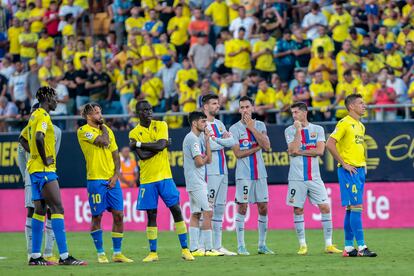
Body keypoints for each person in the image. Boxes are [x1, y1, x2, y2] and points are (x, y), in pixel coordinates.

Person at [25, 86, 86, 265]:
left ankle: (35, 256)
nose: (56, 100)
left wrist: (36, 156)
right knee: (57, 208)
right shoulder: (43, 116)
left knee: (40, 210)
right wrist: (45, 159)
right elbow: (38, 137)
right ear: (46, 98)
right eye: (54, 97)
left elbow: (23, 138)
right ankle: (65, 256)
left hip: (33, 169)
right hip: (44, 170)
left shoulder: (33, 116)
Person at [129, 100, 194, 262]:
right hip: (147, 179)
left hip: (165, 176)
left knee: (176, 210)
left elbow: (159, 146)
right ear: (138, 113)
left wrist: (139, 144)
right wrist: (160, 146)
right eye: (144, 110)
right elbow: (144, 155)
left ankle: (185, 250)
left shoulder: (161, 125)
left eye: (150, 109)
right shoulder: (134, 132)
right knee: (151, 214)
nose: (149, 112)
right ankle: (153, 253)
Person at [77, 103, 133, 263]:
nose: (100, 115)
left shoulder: (106, 129)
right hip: (95, 179)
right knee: (97, 216)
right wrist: (104, 129)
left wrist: (116, 175)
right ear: (88, 116)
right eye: (96, 113)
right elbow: (103, 141)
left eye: (100, 112)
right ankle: (101, 253)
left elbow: (115, 153)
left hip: (111, 179)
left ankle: (117, 253)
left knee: (119, 215)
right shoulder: (83, 131)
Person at [284, 102, 342, 255]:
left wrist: (300, 152)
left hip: (314, 177)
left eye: (296, 112)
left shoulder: (318, 129)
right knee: (298, 209)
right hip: (296, 178)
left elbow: (321, 151)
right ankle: (303, 245)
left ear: (305, 112)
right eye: (292, 113)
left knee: (325, 207)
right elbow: (293, 149)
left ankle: (328, 244)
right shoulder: (289, 130)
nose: (294, 115)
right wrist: (298, 131)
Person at [326, 94, 377, 257]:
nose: (365, 105)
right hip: (349, 170)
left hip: (359, 170)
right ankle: (361, 247)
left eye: (364, 103)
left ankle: (348, 247)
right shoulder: (344, 123)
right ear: (351, 107)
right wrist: (344, 163)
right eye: (361, 103)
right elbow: (330, 143)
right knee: (356, 207)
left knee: (350, 208)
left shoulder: (360, 126)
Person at [229, 96, 274, 255]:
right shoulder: (234, 129)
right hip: (244, 175)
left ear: (252, 108)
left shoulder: (260, 125)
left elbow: (267, 146)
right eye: (242, 107)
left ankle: (262, 245)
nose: (245, 110)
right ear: (239, 109)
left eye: (247, 107)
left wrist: (252, 128)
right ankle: (241, 245)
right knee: (242, 207)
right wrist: (257, 148)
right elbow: (238, 154)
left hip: (260, 173)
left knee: (263, 207)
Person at [18, 102, 62, 263]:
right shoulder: (28, 130)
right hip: (32, 174)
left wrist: (47, 163)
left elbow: (54, 151)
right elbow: (20, 154)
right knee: (34, 210)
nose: (32, 113)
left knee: (51, 210)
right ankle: (32, 252)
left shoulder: (56, 130)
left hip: (48, 172)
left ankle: (48, 252)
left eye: (34, 110)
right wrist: (25, 176)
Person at [183, 111, 224, 257]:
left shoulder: (199, 137)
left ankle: (194, 249)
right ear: (194, 123)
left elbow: (209, 159)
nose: (206, 124)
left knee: (196, 213)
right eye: (203, 121)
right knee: (208, 212)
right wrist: (204, 158)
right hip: (196, 181)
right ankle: (209, 248)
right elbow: (199, 162)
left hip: (196, 180)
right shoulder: (192, 139)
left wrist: (207, 140)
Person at [201, 94, 237, 255]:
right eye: (214, 103)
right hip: (211, 171)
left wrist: (218, 141)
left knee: (220, 208)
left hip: (223, 170)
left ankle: (217, 245)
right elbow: (210, 146)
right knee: (208, 207)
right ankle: (203, 245)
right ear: (205, 107)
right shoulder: (202, 125)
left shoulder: (220, 124)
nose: (217, 106)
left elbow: (232, 142)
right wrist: (221, 141)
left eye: (218, 103)